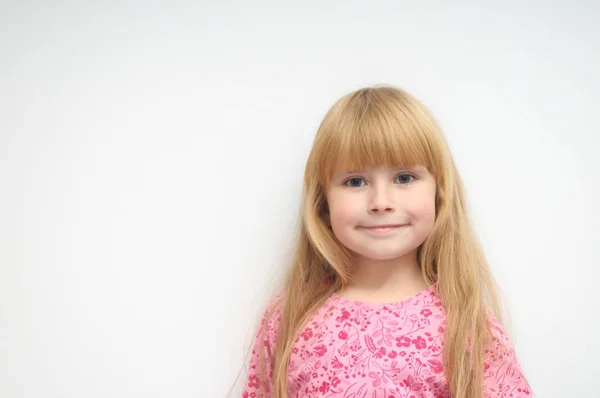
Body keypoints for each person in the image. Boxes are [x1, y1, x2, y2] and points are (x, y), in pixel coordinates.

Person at [240, 85, 531, 398]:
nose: (381, 202)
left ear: (439, 193)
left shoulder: (466, 324)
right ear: (323, 204)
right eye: (355, 181)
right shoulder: (289, 318)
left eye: (404, 178)